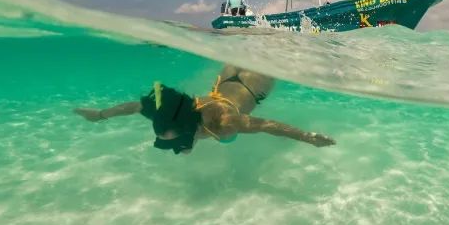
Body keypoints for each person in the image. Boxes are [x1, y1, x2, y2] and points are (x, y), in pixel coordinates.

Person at [73, 64, 336, 154]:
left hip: (256, 83)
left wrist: (307, 138)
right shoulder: (168, 114)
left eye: (174, 144)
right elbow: (133, 107)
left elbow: (266, 126)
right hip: (228, 75)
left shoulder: (224, 122)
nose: (175, 149)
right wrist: (98, 115)